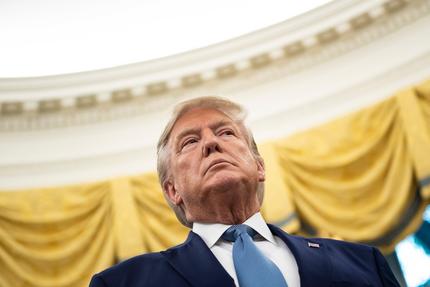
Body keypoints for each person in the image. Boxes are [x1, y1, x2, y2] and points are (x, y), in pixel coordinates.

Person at [89, 96, 400, 287]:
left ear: (259, 167)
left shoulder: (362, 262)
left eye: (225, 132)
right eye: (190, 142)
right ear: (173, 191)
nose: (211, 143)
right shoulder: (123, 283)